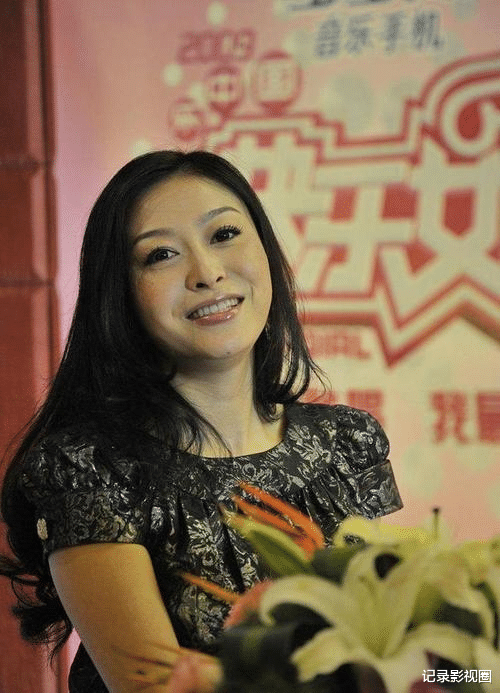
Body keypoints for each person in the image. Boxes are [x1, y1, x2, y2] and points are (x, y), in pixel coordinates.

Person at [0, 150, 402, 693]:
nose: (208, 272)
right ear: (118, 293)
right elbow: (155, 686)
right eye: (161, 254)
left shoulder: (347, 443)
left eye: (224, 234)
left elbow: (405, 653)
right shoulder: (90, 470)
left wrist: (469, 670)